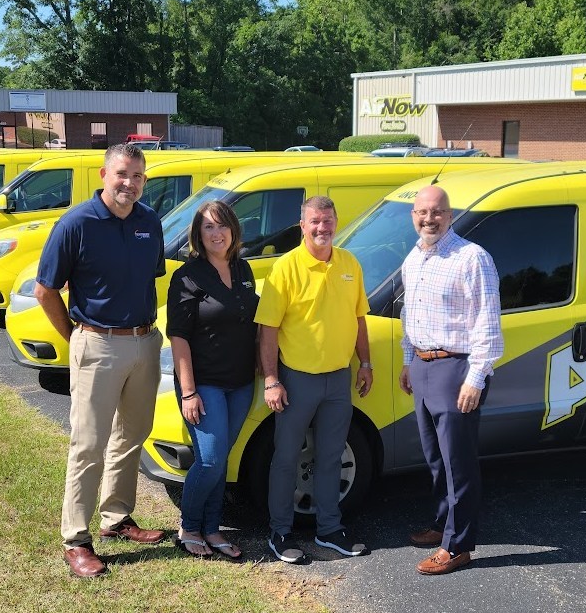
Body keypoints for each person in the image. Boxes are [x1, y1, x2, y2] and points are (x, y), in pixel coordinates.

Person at [35, 142, 168, 578]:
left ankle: (116, 517)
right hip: (97, 342)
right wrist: (74, 336)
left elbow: (146, 279)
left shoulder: (150, 221)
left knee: (132, 434)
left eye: (137, 176)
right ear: (103, 174)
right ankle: (75, 538)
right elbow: (46, 290)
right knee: (89, 444)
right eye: (122, 174)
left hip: (144, 342)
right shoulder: (76, 223)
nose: (129, 183)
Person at [255, 195, 373, 563]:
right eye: (315, 222)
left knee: (331, 457)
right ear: (302, 226)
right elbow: (267, 330)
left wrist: (365, 363)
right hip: (296, 379)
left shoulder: (350, 263)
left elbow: (358, 319)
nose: (322, 227)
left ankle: (329, 531)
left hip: (338, 378)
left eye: (328, 220)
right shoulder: (285, 267)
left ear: (336, 221)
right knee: (286, 458)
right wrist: (272, 379)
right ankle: (280, 532)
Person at [399, 184, 503, 575]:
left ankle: (458, 546)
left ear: (450, 215)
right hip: (424, 367)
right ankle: (444, 525)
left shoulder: (471, 258)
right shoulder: (414, 258)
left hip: (456, 369)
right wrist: (409, 361)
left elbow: (488, 323)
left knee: (458, 462)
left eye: (437, 212)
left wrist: (476, 378)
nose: (429, 219)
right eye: (422, 212)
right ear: (413, 216)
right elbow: (412, 316)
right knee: (435, 459)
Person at [166, 200, 258, 560]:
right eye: (208, 227)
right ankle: (189, 527)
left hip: (241, 382)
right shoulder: (187, 276)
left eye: (222, 225)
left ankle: (212, 528)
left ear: (233, 229)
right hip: (202, 384)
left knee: (221, 457)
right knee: (209, 458)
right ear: (198, 234)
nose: (216, 233)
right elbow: (178, 336)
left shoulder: (243, 268)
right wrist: (188, 392)